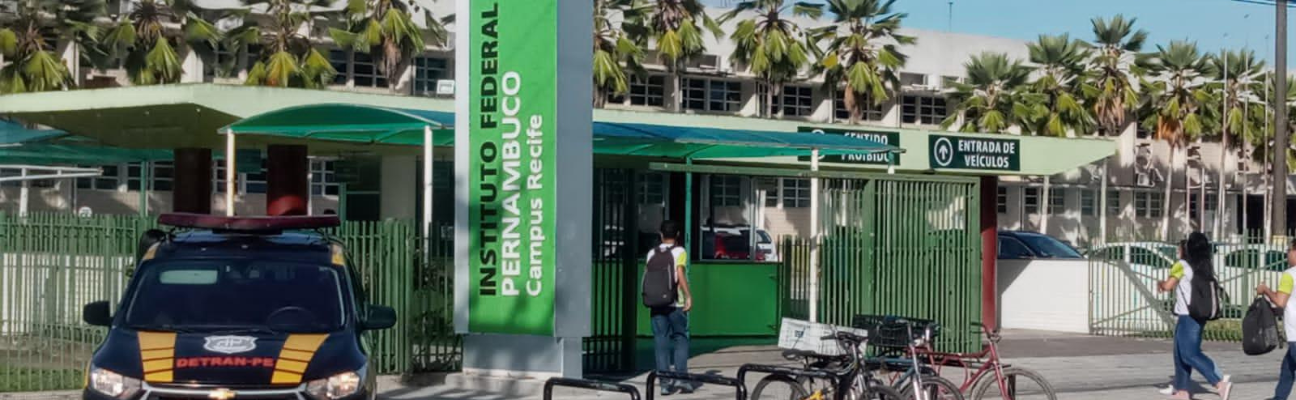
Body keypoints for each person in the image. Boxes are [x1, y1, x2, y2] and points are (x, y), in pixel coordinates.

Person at [1158, 232, 1231, 400]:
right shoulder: (1204, 266)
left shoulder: (1181, 265)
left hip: (1187, 316)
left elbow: (1168, 286)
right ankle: (1182, 391)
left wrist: (1160, 284)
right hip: (1198, 315)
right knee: (1179, 353)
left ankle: (1219, 382)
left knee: (1190, 354)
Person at [647, 220, 694, 396]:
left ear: (660, 234)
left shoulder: (652, 253)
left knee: (661, 341)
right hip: (675, 304)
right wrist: (688, 295)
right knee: (680, 338)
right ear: (678, 235)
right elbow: (680, 273)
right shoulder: (680, 251)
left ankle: (665, 383)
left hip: (657, 304)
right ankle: (682, 378)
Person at [1258, 239, 1296, 400]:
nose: (1287, 254)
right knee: (1287, 368)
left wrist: (1265, 290)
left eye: (1289, 250)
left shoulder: (1290, 275)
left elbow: (1281, 301)